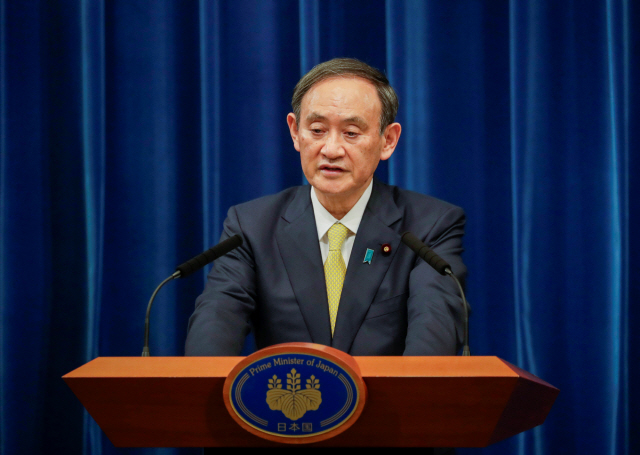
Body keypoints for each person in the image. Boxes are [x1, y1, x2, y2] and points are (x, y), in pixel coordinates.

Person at [185, 58, 466, 357]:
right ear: (295, 131)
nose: (331, 150)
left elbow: (433, 336)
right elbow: (216, 320)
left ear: (388, 140)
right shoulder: (251, 227)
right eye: (317, 130)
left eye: (351, 133)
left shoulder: (429, 227)